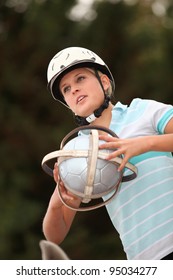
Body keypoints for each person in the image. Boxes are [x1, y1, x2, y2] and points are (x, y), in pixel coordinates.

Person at [42, 46, 173, 260]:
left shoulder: (143, 111)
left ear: (104, 82)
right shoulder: (77, 153)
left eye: (80, 78)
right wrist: (59, 200)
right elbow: (54, 235)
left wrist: (142, 144)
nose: (73, 89)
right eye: (66, 89)